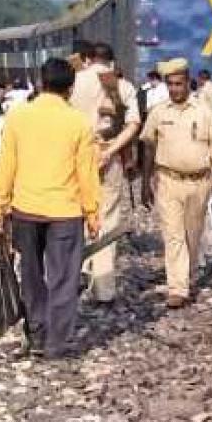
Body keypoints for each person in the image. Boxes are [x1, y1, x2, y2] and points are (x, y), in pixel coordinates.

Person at [0, 58, 101, 359]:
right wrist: (92, 213)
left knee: (32, 274)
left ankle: (37, 334)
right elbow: (86, 172)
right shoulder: (78, 122)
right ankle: (57, 342)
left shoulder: (18, 116)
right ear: (71, 88)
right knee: (64, 277)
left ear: (41, 82)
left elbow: (5, 165)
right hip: (65, 212)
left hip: (25, 210)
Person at [140, 58, 212, 309]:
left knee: (192, 235)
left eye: (178, 84)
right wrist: (145, 182)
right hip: (168, 181)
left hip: (199, 183)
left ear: (188, 83)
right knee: (173, 235)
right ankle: (178, 288)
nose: (174, 89)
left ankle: (186, 274)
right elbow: (148, 146)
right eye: (170, 84)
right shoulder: (159, 112)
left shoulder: (203, 111)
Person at [87, 63, 142, 303]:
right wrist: (113, 150)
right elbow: (133, 125)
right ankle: (103, 287)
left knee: (74, 219)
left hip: (73, 158)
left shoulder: (69, 78)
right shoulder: (119, 85)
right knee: (106, 219)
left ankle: (76, 274)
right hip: (105, 157)